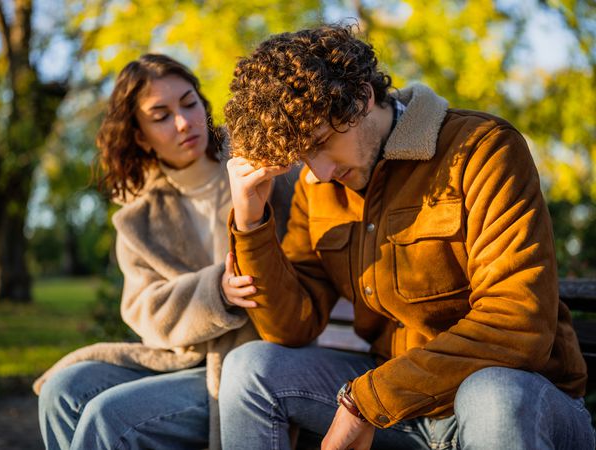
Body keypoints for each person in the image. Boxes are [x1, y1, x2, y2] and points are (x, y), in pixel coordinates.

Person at [218, 25, 595, 450]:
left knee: (492, 395)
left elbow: (518, 323)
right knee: (250, 368)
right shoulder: (315, 185)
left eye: (321, 143)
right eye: (301, 156)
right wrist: (250, 220)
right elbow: (291, 327)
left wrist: (368, 400)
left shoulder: (482, 149)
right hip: (398, 413)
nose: (319, 172)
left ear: (362, 96)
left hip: (519, 401)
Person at [34, 53, 294, 450]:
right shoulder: (139, 217)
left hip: (248, 358)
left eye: (189, 103)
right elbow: (145, 311)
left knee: (109, 416)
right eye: (160, 115)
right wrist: (216, 293)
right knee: (63, 391)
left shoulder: (258, 165)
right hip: (184, 358)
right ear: (139, 135)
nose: (183, 122)